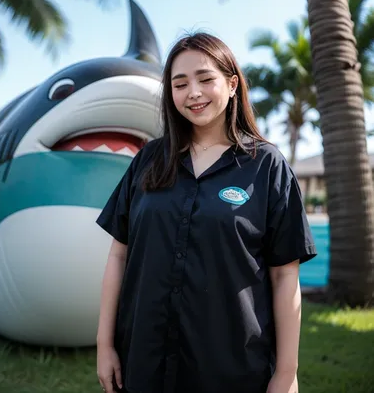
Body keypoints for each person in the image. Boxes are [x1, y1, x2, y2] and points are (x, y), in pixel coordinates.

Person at [95, 32, 317, 393]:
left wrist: (286, 373)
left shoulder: (267, 167)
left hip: (232, 368)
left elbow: (284, 278)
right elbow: (119, 255)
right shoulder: (149, 161)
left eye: (205, 79)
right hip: (144, 362)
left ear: (232, 85)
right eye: (179, 84)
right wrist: (105, 346)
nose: (193, 93)